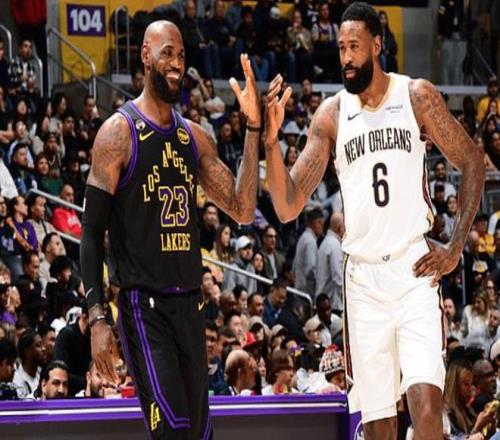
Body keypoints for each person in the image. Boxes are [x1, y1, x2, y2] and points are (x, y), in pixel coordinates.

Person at [262, 2, 485, 438]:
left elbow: (472, 162)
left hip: (414, 269)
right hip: (363, 281)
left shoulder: (416, 96)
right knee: (379, 426)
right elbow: (287, 206)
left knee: (426, 408)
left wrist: (455, 247)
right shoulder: (331, 115)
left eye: (355, 47)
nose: (346, 57)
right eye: (341, 48)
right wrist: (270, 143)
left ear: (377, 45)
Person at [80, 20, 260, 439]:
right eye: (167, 53)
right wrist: (98, 318)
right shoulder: (118, 133)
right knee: (173, 433)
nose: (177, 63)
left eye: (181, 55)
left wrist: (253, 128)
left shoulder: (193, 137)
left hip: (191, 308)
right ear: (146, 56)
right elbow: (90, 234)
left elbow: (243, 207)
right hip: (144, 307)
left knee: (199, 434)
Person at [315, 212, 344, 311]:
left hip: (323, 299)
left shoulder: (327, 242)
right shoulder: (334, 245)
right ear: (340, 228)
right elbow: (338, 278)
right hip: (330, 305)